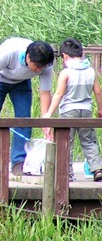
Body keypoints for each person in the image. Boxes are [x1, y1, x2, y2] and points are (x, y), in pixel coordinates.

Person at [0, 37, 55, 177]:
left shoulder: (46, 64)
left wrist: (45, 119)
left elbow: (45, 92)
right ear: (28, 57)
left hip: (22, 83)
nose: (38, 71)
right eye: (36, 67)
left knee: (24, 120)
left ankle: (19, 162)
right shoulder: (10, 52)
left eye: (41, 68)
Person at [43, 38, 102, 182]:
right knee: (89, 140)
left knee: (66, 141)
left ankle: (67, 172)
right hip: (86, 111)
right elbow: (98, 92)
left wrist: (48, 114)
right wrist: (100, 109)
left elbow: (59, 94)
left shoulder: (66, 73)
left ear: (65, 56)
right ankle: (97, 169)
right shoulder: (91, 71)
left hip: (68, 111)